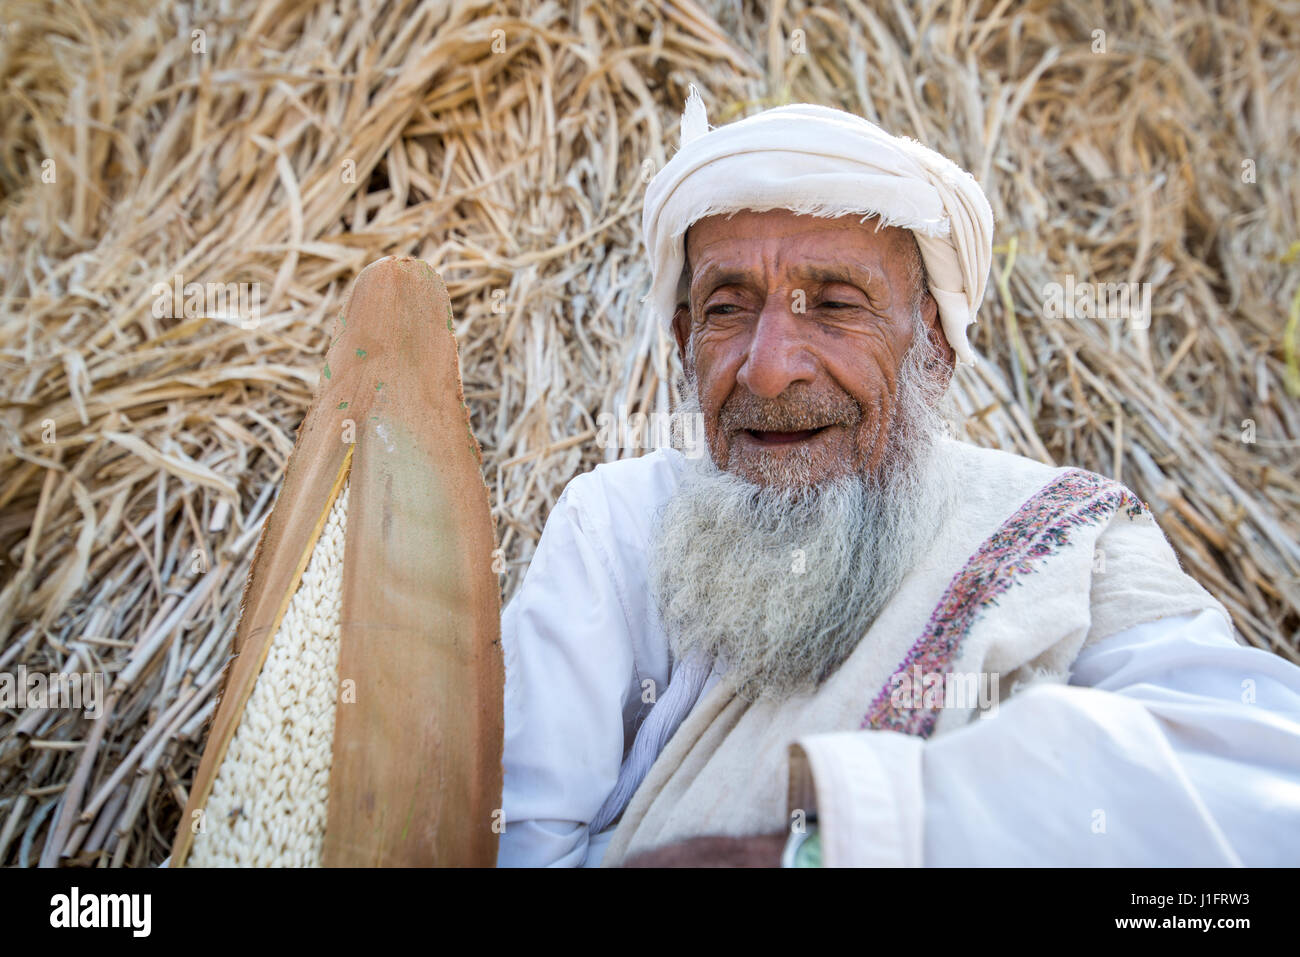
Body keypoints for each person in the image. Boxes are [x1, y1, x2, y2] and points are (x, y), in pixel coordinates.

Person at [496, 92, 1300, 867]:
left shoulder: (1065, 536)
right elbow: (516, 840)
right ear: (684, 340)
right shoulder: (618, 527)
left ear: (935, 350)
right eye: (728, 309)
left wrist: (838, 845)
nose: (768, 370)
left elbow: (1264, 787)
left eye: (835, 305)